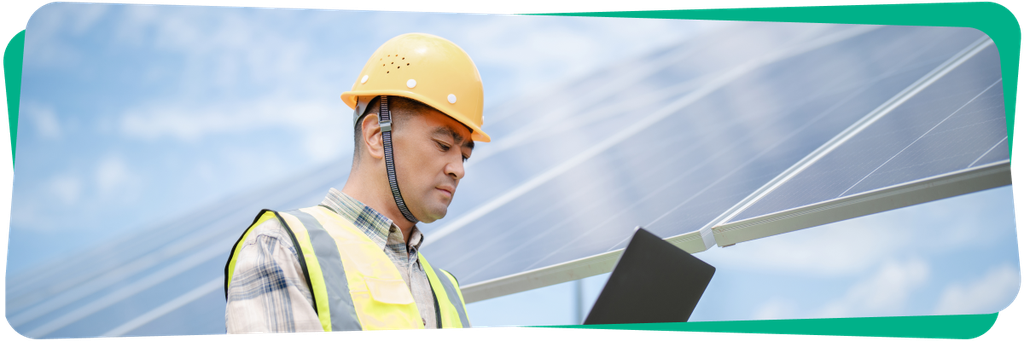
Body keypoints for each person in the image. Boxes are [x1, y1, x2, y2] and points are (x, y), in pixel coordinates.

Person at [224, 33, 490, 333]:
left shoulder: (447, 292)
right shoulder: (283, 248)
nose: (458, 169)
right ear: (377, 135)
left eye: (465, 156)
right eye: (443, 144)